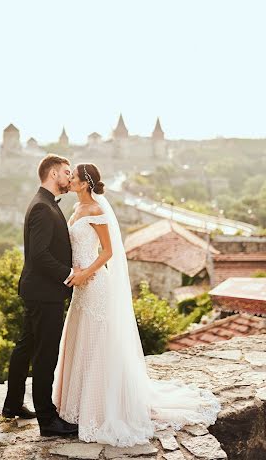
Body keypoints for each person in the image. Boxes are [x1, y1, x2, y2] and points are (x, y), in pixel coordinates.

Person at [53, 163, 221, 447]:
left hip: (95, 285)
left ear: (85, 183)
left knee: (98, 342)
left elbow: (107, 251)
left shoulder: (96, 210)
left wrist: (85, 273)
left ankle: (102, 408)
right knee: (81, 340)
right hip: (80, 288)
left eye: (74, 178)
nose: (68, 181)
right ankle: (78, 404)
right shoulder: (76, 210)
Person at [2, 154, 89, 437]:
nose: (69, 177)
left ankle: (12, 404)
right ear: (53, 174)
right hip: (45, 293)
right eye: (66, 172)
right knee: (45, 356)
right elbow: (39, 255)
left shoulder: (44, 203)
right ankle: (48, 421)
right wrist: (69, 274)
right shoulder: (42, 207)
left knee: (25, 346)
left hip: (37, 290)